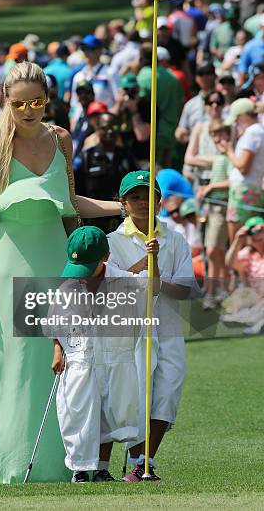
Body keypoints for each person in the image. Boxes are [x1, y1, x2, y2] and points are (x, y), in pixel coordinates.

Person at [0, 61, 121, 484]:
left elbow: (71, 206)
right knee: (14, 364)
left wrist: (125, 208)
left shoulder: (62, 140)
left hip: (58, 260)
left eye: (37, 101)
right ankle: (13, 465)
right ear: (5, 102)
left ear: (48, 100)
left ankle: (66, 462)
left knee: (63, 359)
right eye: (19, 103)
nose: (29, 110)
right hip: (8, 260)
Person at [107, 171, 199, 482]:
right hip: (131, 329)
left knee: (168, 390)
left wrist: (157, 280)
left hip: (168, 325)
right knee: (137, 393)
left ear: (159, 200)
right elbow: (109, 289)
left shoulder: (174, 239)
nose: (142, 202)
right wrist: (143, 268)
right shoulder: (112, 241)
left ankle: (146, 460)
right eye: (134, 197)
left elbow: (185, 289)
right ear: (123, 203)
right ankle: (134, 460)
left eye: (148, 196)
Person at [51, 226, 152, 483]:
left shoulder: (123, 280)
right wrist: (57, 349)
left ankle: (102, 468)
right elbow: (57, 320)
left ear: (104, 257)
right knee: (77, 411)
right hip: (79, 357)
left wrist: (155, 261)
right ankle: (80, 469)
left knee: (109, 413)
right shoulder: (68, 284)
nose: (81, 275)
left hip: (114, 357)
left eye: (87, 267)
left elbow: (151, 291)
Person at [197, 121, 231, 307]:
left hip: (222, 206)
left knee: (213, 250)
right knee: (214, 251)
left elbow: (233, 180)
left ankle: (212, 292)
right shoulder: (219, 156)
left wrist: (210, 187)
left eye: (220, 134)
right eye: (214, 134)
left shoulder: (230, 156)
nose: (217, 138)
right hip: (212, 207)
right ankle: (219, 289)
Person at [221, 98, 264, 243]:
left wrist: (229, 151)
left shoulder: (252, 133)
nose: (236, 123)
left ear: (243, 115)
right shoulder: (258, 131)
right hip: (251, 190)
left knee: (238, 242)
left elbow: (243, 167)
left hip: (243, 192)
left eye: (237, 119)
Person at [184, 90, 224, 188]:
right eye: (210, 103)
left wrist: (199, 158)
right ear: (205, 106)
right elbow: (188, 158)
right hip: (201, 180)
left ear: (223, 105)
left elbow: (229, 160)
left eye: (218, 103)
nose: (214, 106)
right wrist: (217, 161)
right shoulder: (200, 127)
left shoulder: (230, 127)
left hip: (221, 181)